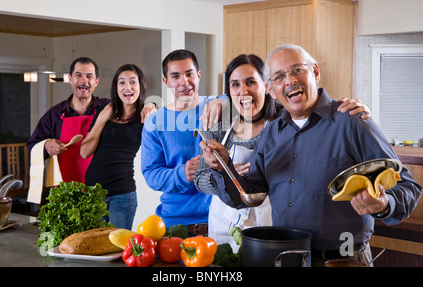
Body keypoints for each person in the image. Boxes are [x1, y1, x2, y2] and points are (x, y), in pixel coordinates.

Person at [200, 45, 422, 266]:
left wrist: (384, 204)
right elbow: (247, 195)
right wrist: (223, 166)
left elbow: (408, 187)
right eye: (279, 77)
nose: (289, 81)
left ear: (315, 72)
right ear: (271, 90)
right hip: (287, 259)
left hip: (344, 259)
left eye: (297, 70)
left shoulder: (352, 120)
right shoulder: (271, 134)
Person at [195, 53, 372, 251]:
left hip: (287, 234)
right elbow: (203, 178)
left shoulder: (285, 120)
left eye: (251, 82)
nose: (243, 91)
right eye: (234, 84)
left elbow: (304, 98)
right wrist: (228, 173)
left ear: (266, 87)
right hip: (229, 223)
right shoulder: (221, 122)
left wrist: (344, 107)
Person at [27, 57, 155, 185]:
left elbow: (132, 106)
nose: (84, 80)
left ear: (96, 81)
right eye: (78, 75)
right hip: (65, 187)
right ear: (70, 79)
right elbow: (32, 146)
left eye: (89, 76)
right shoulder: (54, 114)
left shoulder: (108, 108)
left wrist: (150, 103)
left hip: (102, 187)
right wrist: (47, 145)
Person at [141, 49, 227, 235]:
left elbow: (248, 99)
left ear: (198, 75)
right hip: (175, 226)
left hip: (220, 221)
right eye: (175, 76)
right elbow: (151, 173)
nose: (184, 82)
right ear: (166, 81)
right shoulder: (154, 122)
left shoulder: (217, 107)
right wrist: (182, 174)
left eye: (189, 74)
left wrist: (222, 99)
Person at [80, 64, 146, 230]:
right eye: (122, 82)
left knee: (116, 250)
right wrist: (102, 119)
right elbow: (84, 151)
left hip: (122, 194)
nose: (127, 87)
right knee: (93, 247)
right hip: (93, 192)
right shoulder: (105, 111)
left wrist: (152, 104)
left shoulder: (145, 115)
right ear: (116, 88)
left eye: (133, 82)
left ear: (140, 86)